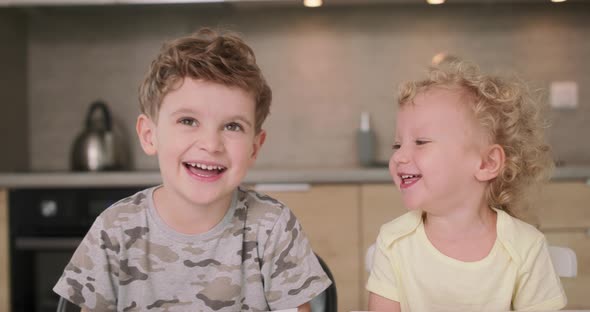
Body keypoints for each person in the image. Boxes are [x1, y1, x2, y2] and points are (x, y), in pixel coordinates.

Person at [53, 28, 331, 311]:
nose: (211, 144)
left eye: (232, 126)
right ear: (149, 135)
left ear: (254, 149)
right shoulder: (113, 230)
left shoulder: (273, 228)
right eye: (188, 121)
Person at [367, 59, 567, 311]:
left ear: (486, 163)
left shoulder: (525, 246)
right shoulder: (394, 241)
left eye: (421, 141)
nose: (399, 156)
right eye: (397, 145)